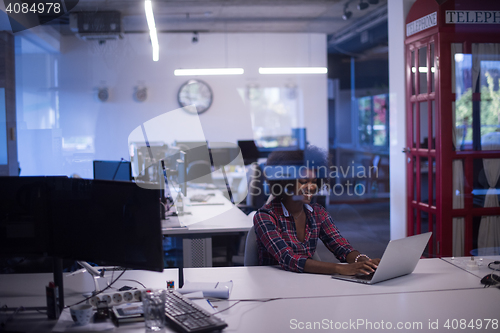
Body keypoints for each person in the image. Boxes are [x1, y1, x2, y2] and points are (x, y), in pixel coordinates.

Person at [253, 146, 380, 275]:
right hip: (273, 284)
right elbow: (288, 259)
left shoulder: (318, 213)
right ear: (286, 182)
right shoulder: (265, 216)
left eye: (314, 181)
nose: (311, 187)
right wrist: (340, 268)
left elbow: (341, 246)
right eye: (303, 182)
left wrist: (362, 260)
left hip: (307, 283)